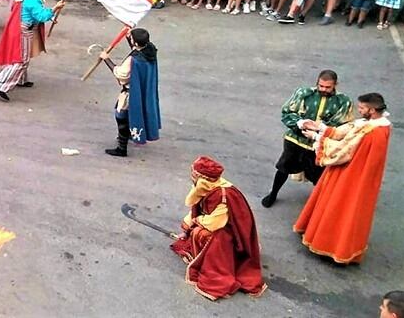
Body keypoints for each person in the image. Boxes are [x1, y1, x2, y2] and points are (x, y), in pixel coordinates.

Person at [293, 93, 392, 264]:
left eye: (362, 108)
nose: (359, 110)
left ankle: (329, 245)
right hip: (353, 173)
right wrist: (321, 128)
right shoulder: (371, 125)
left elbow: (344, 151)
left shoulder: (372, 133)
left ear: (372, 110)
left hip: (351, 176)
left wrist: (317, 138)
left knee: (339, 208)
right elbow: (347, 132)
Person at [170, 156, 267, 300]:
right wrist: (186, 229)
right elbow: (197, 209)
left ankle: (219, 266)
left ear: (201, 178)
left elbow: (215, 223)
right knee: (195, 230)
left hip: (229, 231)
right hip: (215, 223)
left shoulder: (222, 194)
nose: (192, 179)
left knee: (200, 233)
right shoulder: (206, 187)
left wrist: (195, 223)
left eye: (194, 176)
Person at [261, 70, 353, 207]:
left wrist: (320, 129)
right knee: (283, 168)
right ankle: (273, 193)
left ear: (335, 85)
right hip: (295, 140)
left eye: (328, 87)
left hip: (319, 144)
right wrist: (301, 123)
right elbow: (287, 112)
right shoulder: (303, 94)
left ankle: (317, 204)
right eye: (321, 86)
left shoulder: (343, 101)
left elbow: (342, 125)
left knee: (318, 175)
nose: (323, 89)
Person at [0, 0, 63, 101]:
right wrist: (54, 9)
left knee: (24, 56)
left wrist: (51, 15)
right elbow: (40, 16)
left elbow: (39, 14)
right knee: (21, 60)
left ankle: (21, 79)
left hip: (27, 28)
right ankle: (1, 84)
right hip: (25, 30)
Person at [98, 28, 161, 157]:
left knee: (120, 114)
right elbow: (137, 49)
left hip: (131, 92)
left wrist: (106, 59)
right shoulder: (150, 50)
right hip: (143, 89)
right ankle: (130, 133)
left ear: (136, 43)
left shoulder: (133, 60)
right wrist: (128, 37)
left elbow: (121, 74)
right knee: (128, 113)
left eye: (132, 39)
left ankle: (122, 147)